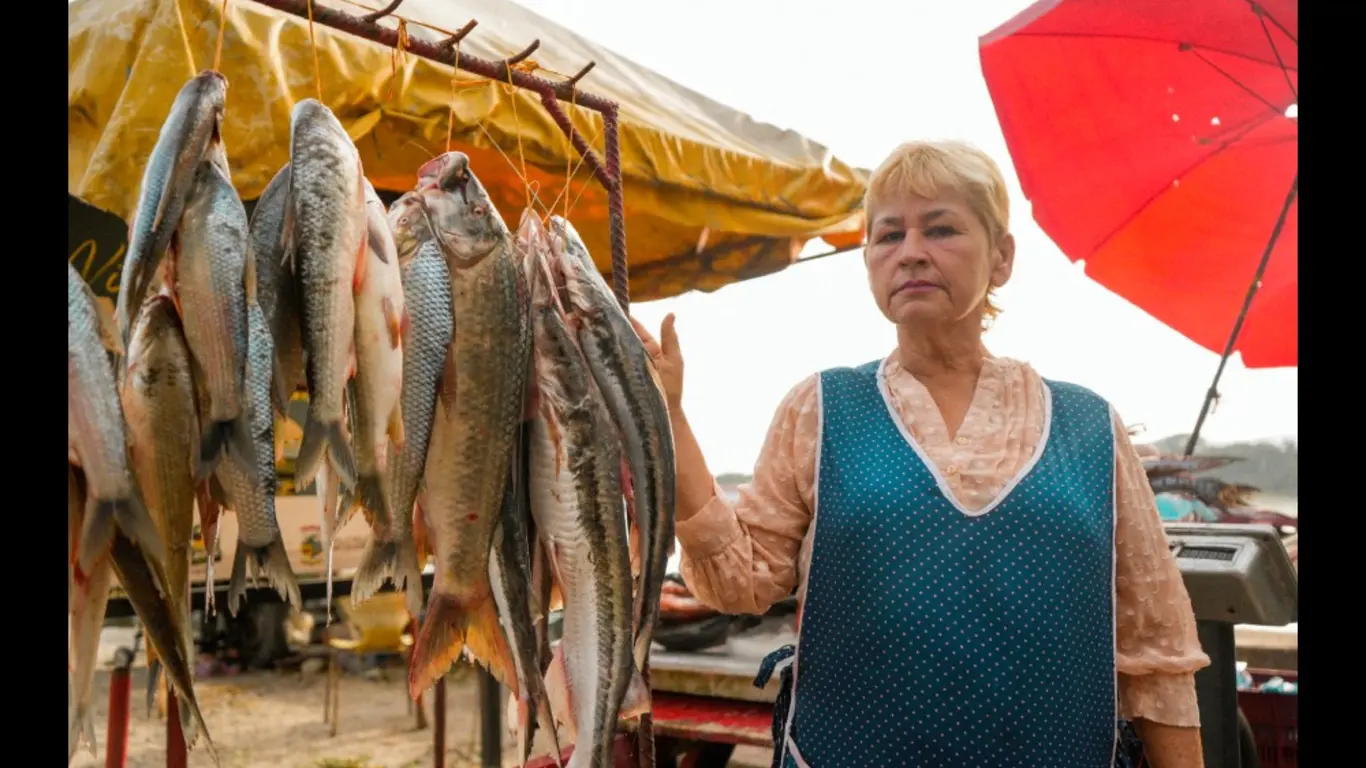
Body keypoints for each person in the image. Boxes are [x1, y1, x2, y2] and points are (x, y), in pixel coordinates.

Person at [631, 140, 1210, 768]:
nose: (910, 252)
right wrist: (670, 416)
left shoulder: (1090, 425)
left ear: (1003, 256)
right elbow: (739, 580)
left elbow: (1160, 653)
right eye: (887, 237)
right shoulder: (822, 408)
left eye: (941, 229)